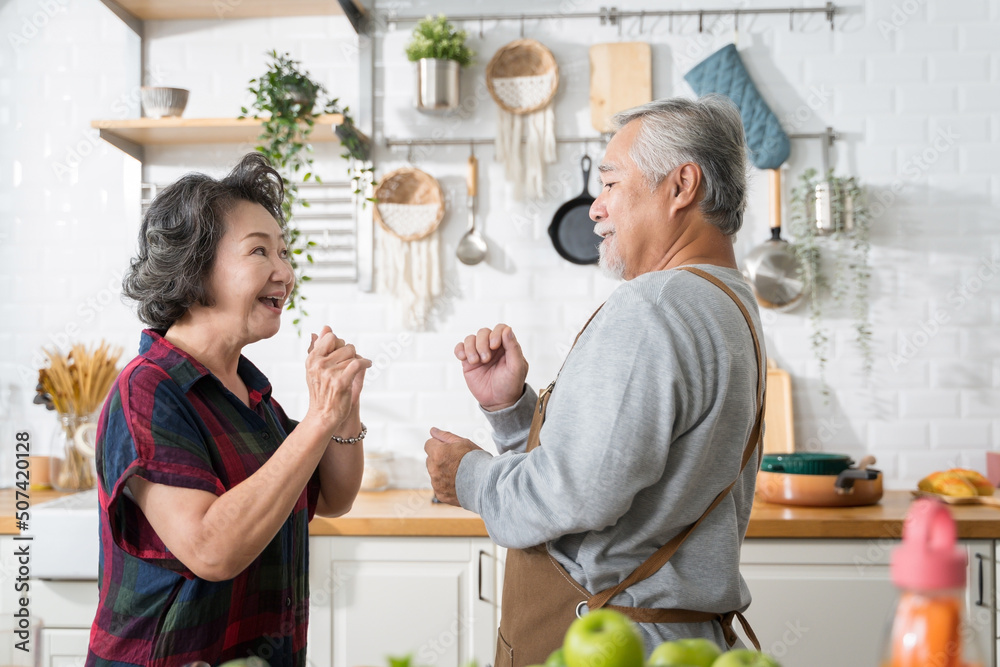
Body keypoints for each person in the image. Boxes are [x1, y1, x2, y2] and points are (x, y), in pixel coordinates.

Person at [425, 95, 766, 666]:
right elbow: (624, 475)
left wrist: (469, 478)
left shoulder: (654, 305)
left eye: (610, 183)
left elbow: (577, 494)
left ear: (682, 185)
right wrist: (513, 410)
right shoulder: (731, 303)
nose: (595, 209)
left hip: (611, 645)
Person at [87, 153, 371, 667]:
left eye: (283, 252)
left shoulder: (249, 390)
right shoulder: (148, 389)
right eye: (259, 251)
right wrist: (318, 420)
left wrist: (342, 405)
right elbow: (211, 549)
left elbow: (332, 497)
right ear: (194, 267)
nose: (284, 272)